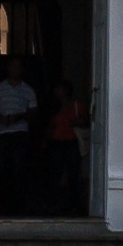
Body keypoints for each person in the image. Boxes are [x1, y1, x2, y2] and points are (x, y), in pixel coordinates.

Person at [0, 58, 40, 213]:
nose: (15, 69)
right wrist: (0, 117)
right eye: (13, 66)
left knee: (19, 168)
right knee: (1, 168)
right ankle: (3, 202)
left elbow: (34, 112)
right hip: (3, 132)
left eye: (18, 67)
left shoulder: (28, 90)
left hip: (20, 132)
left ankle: (18, 204)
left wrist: (20, 116)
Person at [45, 81, 87, 216]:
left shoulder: (77, 105)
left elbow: (88, 121)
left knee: (73, 175)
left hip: (72, 142)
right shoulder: (54, 107)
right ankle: (54, 205)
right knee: (55, 175)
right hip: (57, 142)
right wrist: (45, 141)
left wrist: (78, 122)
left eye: (59, 88)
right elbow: (51, 126)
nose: (57, 91)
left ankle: (75, 206)